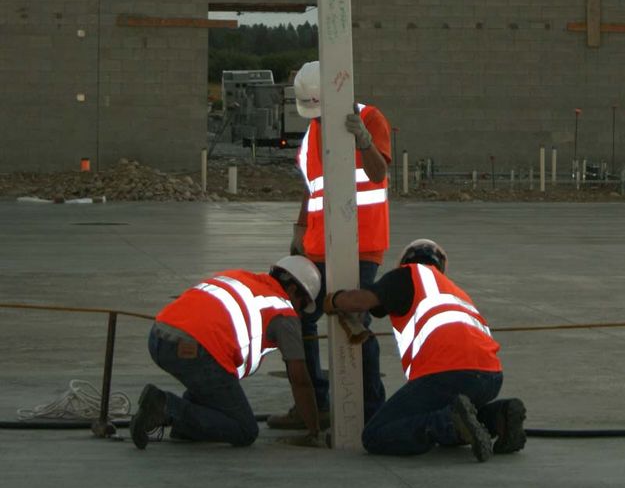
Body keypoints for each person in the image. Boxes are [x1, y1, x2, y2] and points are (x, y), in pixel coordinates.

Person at [267, 60, 392, 429]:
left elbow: (378, 173)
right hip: (317, 245)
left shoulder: (369, 117)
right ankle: (314, 402)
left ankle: (371, 411)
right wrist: (300, 230)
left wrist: (363, 141)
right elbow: (311, 189)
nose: (319, 119)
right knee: (300, 319)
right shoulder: (311, 135)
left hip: (361, 243)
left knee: (356, 322)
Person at [323, 239, 526, 462]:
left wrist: (333, 300)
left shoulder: (407, 275)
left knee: (376, 434)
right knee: (450, 418)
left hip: (448, 375)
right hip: (490, 377)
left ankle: (448, 423)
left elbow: (359, 301)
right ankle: (500, 415)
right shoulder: (454, 291)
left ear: (405, 261)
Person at [130, 255, 327, 450]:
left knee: (212, 395)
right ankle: (165, 407)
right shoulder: (283, 311)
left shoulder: (240, 277)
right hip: (196, 351)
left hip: (159, 336)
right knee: (245, 430)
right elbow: (300, 379)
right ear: (292, 290)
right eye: (302, 305)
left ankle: (185, 425)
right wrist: (313, 430)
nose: (300, 314)